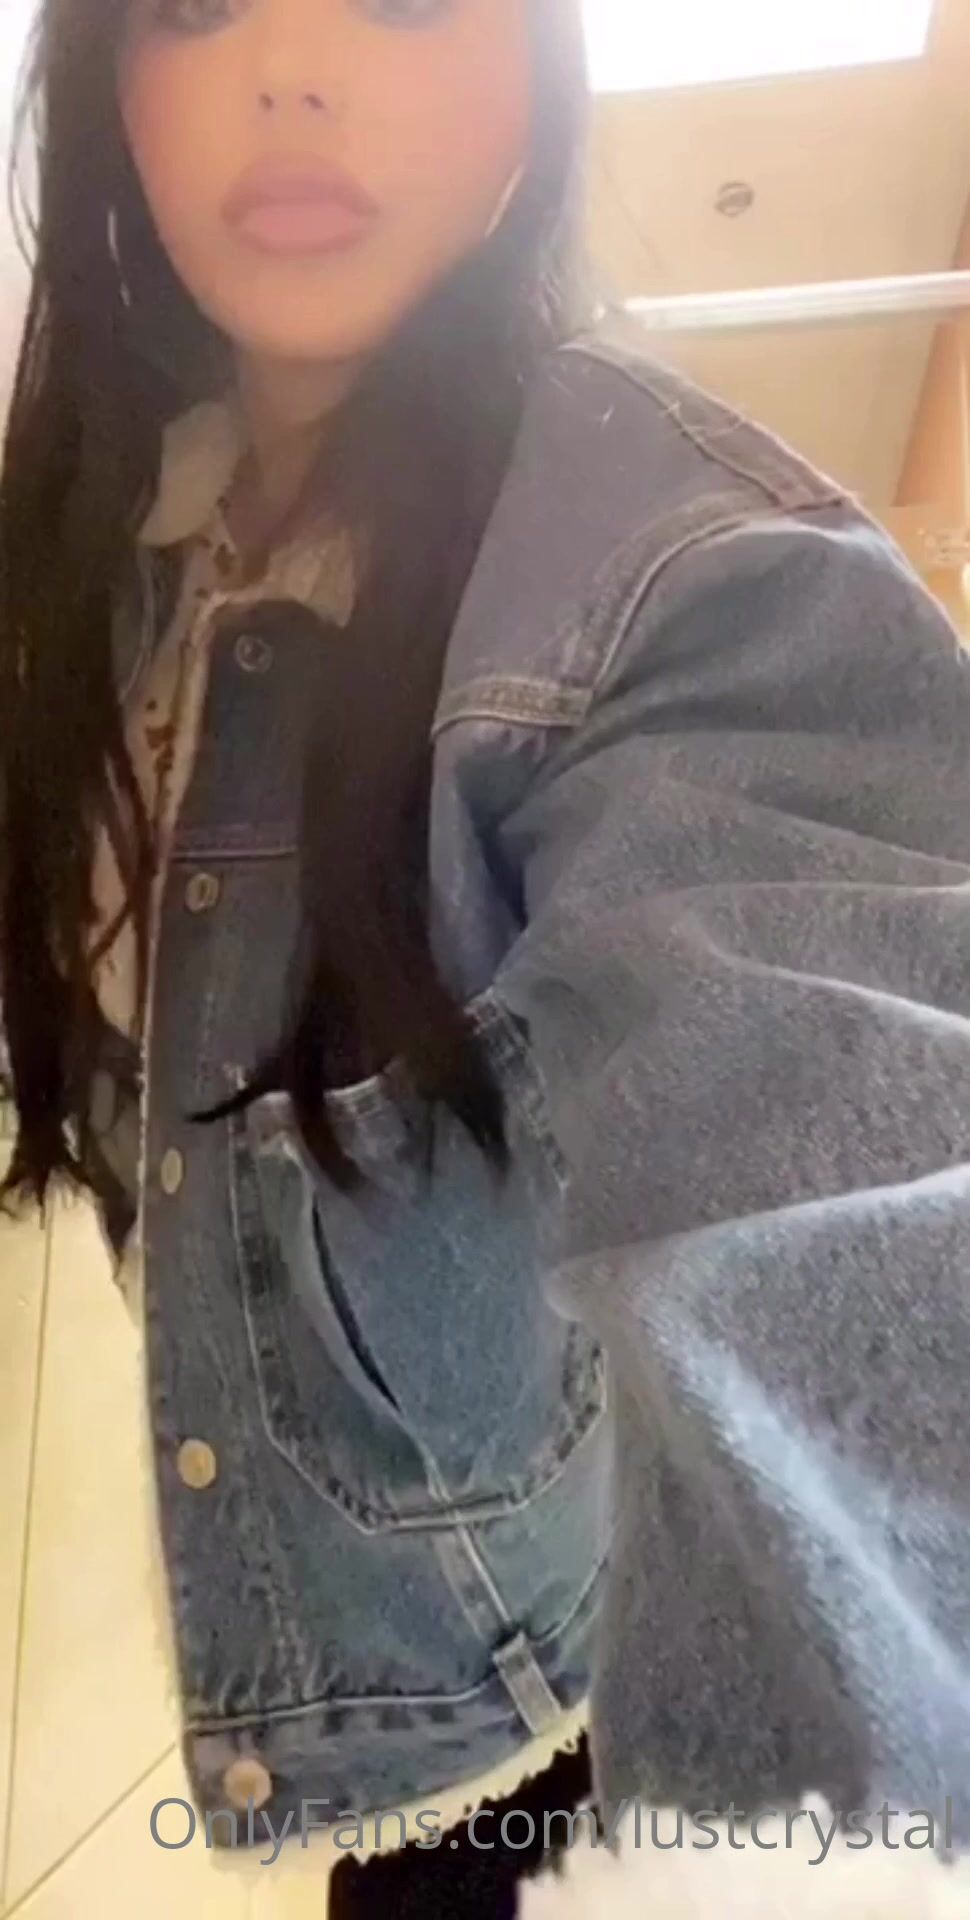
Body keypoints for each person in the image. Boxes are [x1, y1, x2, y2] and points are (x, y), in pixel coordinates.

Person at [1, 0, 970, 1910]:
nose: (290, 63)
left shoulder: (696, 585)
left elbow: (848, 1194)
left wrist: (821, 1859)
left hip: (541, 1704)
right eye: (194, 3)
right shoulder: (107, 534)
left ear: (536, 73)